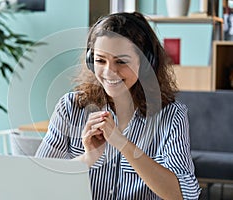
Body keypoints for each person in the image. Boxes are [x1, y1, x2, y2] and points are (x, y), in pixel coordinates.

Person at [35, 11, 200, 200]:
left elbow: (184, 194)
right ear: (90, 61)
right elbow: (39, 181)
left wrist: (122, 144)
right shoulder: (70, 108)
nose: (109, 71)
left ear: (146, 64)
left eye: (121, 61)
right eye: (100, 60)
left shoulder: (171, 116)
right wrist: (88, 159)